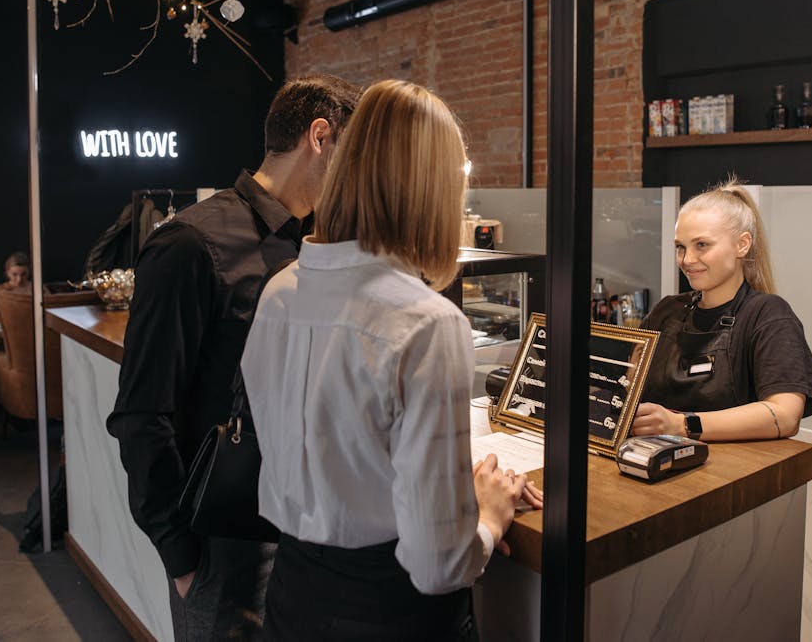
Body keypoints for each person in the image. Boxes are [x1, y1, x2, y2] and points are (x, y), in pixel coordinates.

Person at [242, 79, 543, 641]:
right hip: (390, 614)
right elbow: (438, 566)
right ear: (431, 193)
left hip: (290, 595)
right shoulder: (426, 323)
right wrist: (487, 517)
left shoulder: (279, 291)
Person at [105, 74, 361, 641]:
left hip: (304, 530)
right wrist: (183, 559)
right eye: (354, 152)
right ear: (320, 137)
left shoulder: (314, 242)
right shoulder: (191, 244)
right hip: (226, 545)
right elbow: (141, 416)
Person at [633, 178, 812, 441]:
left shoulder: (767, 315)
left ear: (742, 244)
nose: (687, 260)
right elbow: (629, 384)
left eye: (702, 245)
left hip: (734, 475)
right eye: (681, 247)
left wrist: (681, 425)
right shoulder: (667, 311)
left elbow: (784, 415)